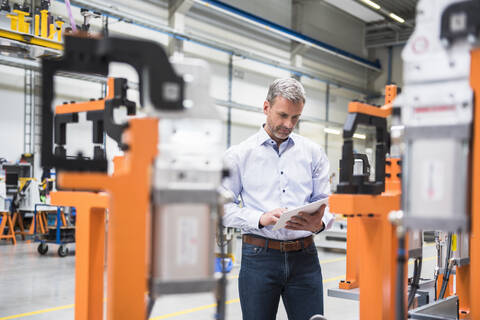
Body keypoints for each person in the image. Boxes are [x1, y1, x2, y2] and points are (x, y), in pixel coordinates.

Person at [223, 77, 335, 320]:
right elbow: (221, 208)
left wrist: (320, 223)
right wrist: (260, 218)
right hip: (259, 257)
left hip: (305, 258)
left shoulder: (312, 153)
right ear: (266, 108)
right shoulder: (240, 154)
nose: (288, 124)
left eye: (295, 118)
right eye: (283, 115)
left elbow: (327, 200)